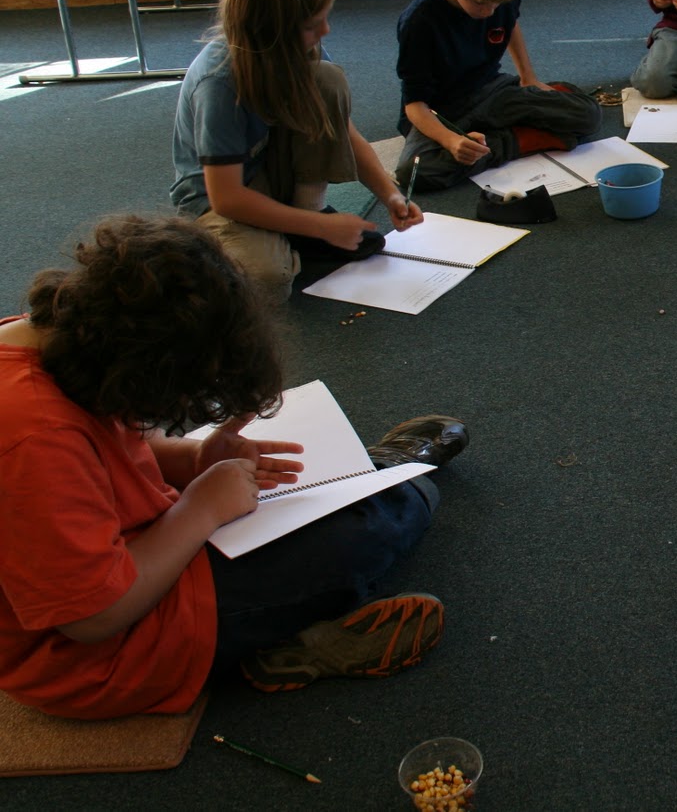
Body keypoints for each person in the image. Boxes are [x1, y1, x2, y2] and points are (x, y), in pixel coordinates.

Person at [0, 215, 466, 719]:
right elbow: (93, 618)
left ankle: (366, 490)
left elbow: (113, 447)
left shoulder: (49, 340)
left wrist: (192, 460)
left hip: (145, 549)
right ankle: (380, 486)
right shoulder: (33, 434)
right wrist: (200, 509)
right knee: (382, 517)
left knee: (360, 505)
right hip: (106, 655)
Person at [171, 0, 423, 304]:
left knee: (328, 78)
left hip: (271, 168)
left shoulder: (298, 45)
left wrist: (390, 193)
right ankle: (245, 242)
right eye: (311, 25)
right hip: (217, 198)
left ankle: (299, 223)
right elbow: (226, 197)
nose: (325, 31)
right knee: (269, 280)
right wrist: (323, 227)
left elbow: (343, 130)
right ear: (268, 29)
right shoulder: (219, 82)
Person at [394, 0, 602, 192]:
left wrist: (528, 77)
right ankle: (519, 139)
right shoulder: (419, 21)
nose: (491, 11)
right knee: (414, 174)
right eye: (482, 3)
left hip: (491, 90)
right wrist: (452, 141)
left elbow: (510, 24)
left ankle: (497, 139)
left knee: (589, 116)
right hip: (442, 113)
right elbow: (415, 107)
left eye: (498, 3)